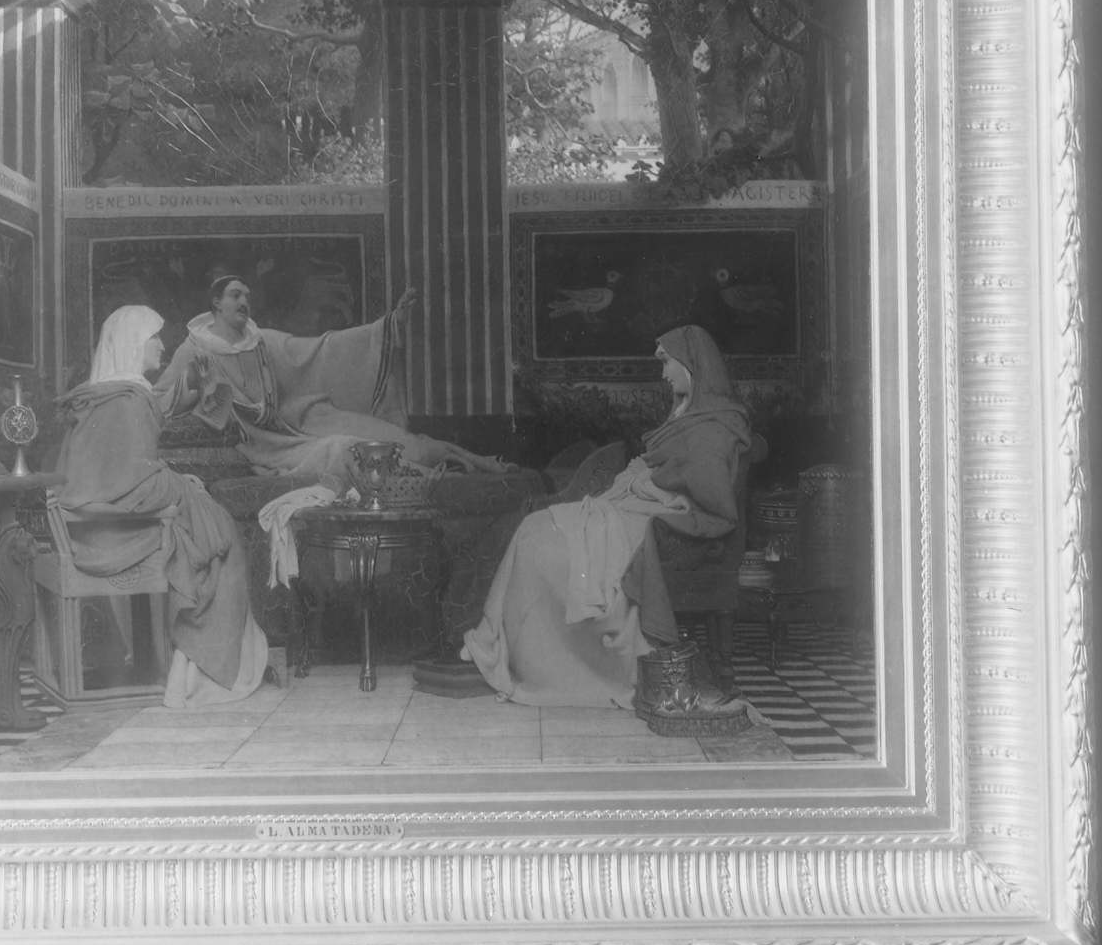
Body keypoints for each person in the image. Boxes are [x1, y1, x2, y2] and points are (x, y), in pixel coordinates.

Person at [460, 324, 750, 713]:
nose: (664, 374)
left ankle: (544, 668)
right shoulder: (688, 415)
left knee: (544, 545)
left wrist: (654, 487)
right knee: (533, 527)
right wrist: (640, 480)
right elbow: (656, 464)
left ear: (691, 365)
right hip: (640, 507)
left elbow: (705, 492)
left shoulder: (715, 426)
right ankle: (493, 637)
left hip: (668, 523)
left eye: (668, 363)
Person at [53, 305, 269, 707]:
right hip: (121, 536)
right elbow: (137, 485)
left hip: (94, 530)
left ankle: (189, 664)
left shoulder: (103, 395)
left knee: (210, 527)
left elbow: (121, 475)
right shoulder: (130, 400)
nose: (161, 346)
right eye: (153, 337)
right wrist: (182, 486)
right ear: (134, 343)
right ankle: (197, 670)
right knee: (221, 541)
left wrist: (174, 480)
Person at [158, 272, 503, 480]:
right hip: (268, 446)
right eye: (235, 295)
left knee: (402, 441)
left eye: (247, 296)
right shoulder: (195, 350)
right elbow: (161, 400)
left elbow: (325, 349)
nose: (245, 301)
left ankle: (477, 461)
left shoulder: (262, 341)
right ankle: (445, 478)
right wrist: (191, 383)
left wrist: (388, 327)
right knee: (346, 450)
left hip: (304, 418)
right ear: (216, 303)